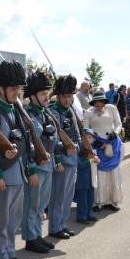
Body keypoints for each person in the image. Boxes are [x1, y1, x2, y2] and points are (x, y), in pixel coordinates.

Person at [0, 60, 34, 259]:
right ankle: (0, 255)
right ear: (2, 89)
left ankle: (10, 251)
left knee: (14, 218)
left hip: (18, 173)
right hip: (5, 174)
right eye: (13, 88)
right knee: (1, 218)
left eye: (19, 88)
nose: (17, 92)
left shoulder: (17, 110)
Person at [22, 70, 59, 253]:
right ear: (33, 95)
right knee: (32, 204)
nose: (47, 97)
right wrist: (31, 170)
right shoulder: (28, 115)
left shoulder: (45, 113)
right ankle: (30, 238)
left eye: (47, 93)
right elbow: (27, 147)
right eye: (43, 94)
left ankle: (37, 235)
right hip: (36, 168)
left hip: (48, 165)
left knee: (42, 204)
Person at [48, 75, 81, 239]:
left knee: (68, 195)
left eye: (70, 96)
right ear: (58, 96)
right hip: (63, 160)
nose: (68, 100)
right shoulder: (54, 113)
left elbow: (76, 134)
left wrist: (82, 147)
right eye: (65, 96)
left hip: (73, 159)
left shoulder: (70, 111)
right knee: (59, 196)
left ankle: (63, 224)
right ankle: (55, 227)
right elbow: (52, 140)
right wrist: (59, 159)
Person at [84, 91, 123, 211]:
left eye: (101, 103)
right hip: (97, 145)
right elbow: (85, 130)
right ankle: (99, 201)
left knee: (114, 173)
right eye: (96, 103)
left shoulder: (112, 109)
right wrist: (94, 142)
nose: (98, 106)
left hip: (112, 144)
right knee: (99, 173)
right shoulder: (89, 112)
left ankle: (112, 200)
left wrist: (115, 134)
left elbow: (118, 124)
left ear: (104, 102)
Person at [74, 128, 97, 224]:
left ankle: (89, 213)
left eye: (90, 137)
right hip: (82, 179)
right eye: (86, 137)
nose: (88, 139)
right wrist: (91, 160)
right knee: (82, 199)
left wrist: (97, 160)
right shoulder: (79, 150)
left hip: (91, 178)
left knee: (90, 197)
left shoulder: (93, 150)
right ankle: (81, 216)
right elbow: (80, 164)